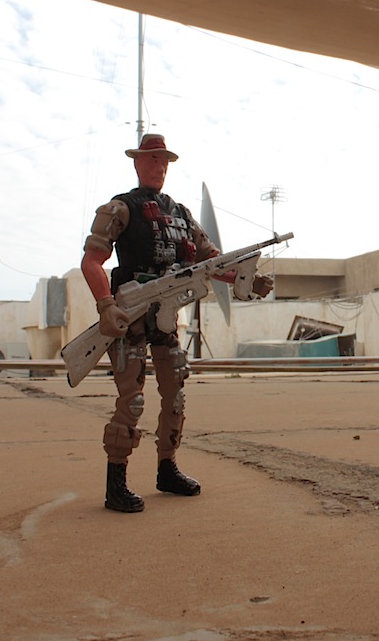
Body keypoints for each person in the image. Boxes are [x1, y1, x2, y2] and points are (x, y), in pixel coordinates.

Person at [80, 133, 273, 513]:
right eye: (153, 159)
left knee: (175, 395)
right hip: (131, 315)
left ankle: (167, 468)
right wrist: (106, 305)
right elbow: (91, 261)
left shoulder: (182, 215)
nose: (160, 166)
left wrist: (247, 280)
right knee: (132, 400)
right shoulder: (120, 209)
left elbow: (211, 263)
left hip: (166, 317)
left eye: (164, 160)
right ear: (137, 162)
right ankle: (116, 482)